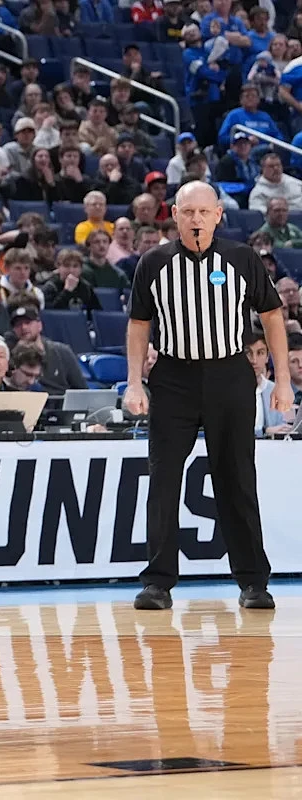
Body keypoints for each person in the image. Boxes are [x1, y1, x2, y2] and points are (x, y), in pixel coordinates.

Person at [123, 181, 290, 612]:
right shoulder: (153, 262)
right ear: (174, 215)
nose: (196, 219)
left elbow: (272, 315)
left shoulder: (242, 258)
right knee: (163, 480)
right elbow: (139, 323)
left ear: (218, 215)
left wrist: (284, 380)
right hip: (173, 378)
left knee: (237, 479)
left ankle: (253, 582)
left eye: (203, 212)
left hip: (229, 374)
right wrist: (134, 382)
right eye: (188, 212)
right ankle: (157, 582)